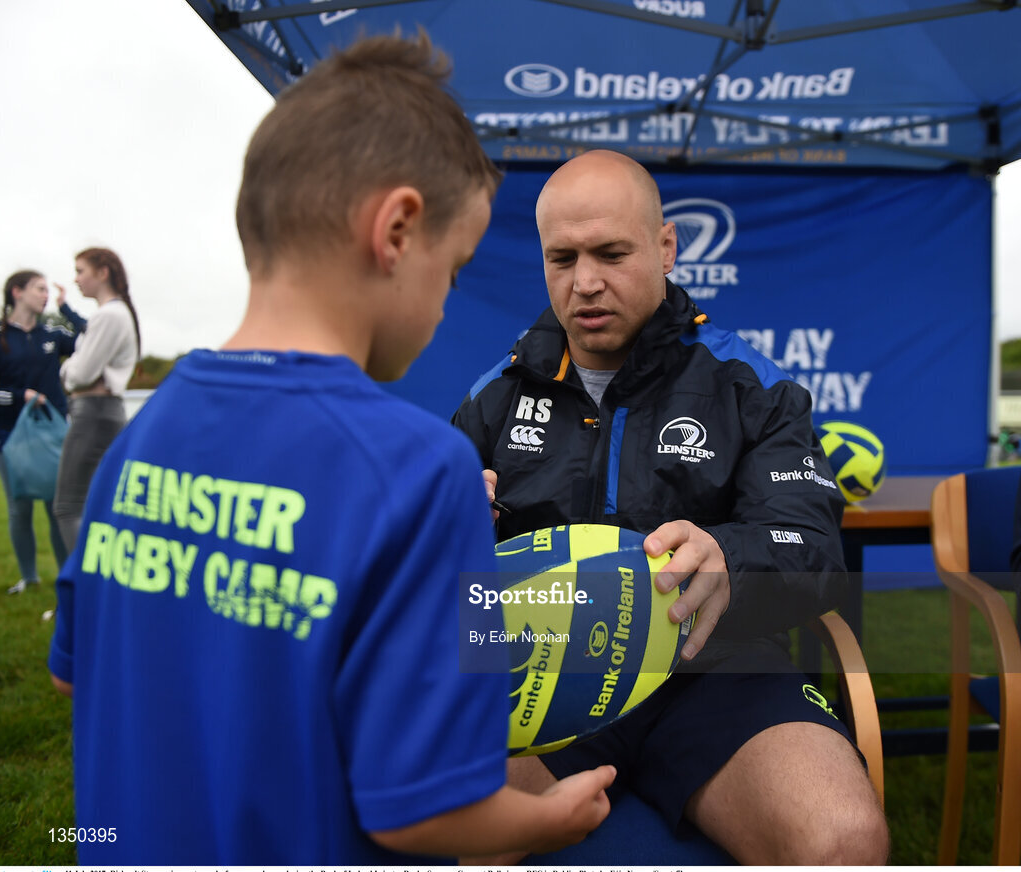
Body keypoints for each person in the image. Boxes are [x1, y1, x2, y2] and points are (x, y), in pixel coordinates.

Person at [47, 32, 614, 865]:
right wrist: (551, 819)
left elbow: (73, 672)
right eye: (452, 271)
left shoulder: (144, 438)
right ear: (396, 231)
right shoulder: (425, 470)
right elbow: (419, 812)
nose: (445, 305)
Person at [453, 149, 890, 864]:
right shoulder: (493, 397)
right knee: (448, 824)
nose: (585, 282)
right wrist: (451, 536)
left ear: (665, 248)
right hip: (547, 675)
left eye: (612, 252)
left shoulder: (752, 385)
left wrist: (730, 557)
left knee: (841, 841)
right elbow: (429, 589)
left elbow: (813, 550)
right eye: (562, 258)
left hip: (716, 668)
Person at [0, 271, 86, 594]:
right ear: (17, 293)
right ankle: (29, 578)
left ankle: (67, 578)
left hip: (52, 437)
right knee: (19, 508)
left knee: (56, 509)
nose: (45, 295)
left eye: (47, 291)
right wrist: (19, 394)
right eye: (39, 289)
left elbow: (94, 337)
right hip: (11, 438)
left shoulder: (54, 334)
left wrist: (67, 309)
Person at [53, 246, 140, 553]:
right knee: (95, 506)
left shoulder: (110, 315)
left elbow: (79, 374)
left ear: (102, 273)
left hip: (94, 413)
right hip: (99, 412)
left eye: (80, 271)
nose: (76, 279)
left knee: (68, 507)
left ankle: (83, 594)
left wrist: (66, 368)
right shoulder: (112, 315)